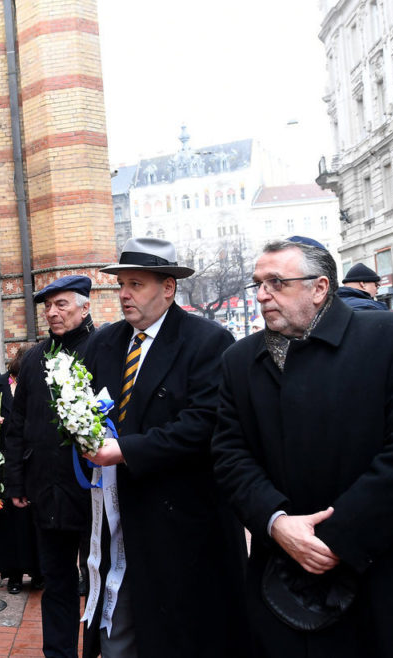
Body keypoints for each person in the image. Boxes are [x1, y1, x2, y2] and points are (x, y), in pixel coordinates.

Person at [212, 239, 393, 657]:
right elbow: (230, 454)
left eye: (276, 282)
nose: (262, 294)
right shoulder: (239, 361)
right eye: (258, 284)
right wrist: (276, 521)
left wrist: (333, 539)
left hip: (380, 573)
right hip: (281, 578)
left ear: (320, 288)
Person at [80, 237, 248, 658]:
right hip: (116, 515)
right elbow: (84, 407)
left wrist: (123, 451)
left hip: (182, 521)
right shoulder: (104, 343)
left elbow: (203, 424)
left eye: (136, 284)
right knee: (117, 623)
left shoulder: (208, 341)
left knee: (181, 629)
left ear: (168, 287)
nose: (123, 294)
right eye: (121, 284)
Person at [4, 274, 96, 658]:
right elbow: (16, 424)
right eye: (48, 307)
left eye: (62, 305)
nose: (53, 313)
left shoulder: (103, 349)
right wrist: (16, 482)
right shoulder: (35, 359)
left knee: (98, 580)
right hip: (45, 490)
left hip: (94, 491)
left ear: (85, 306)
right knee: (56, 581)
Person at [0, 342, 42, 594]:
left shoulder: (40, 386)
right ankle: (13, 574)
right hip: (4, 464)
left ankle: (37, 572)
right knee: (9, 523)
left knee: (34, 522)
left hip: (33, 463)